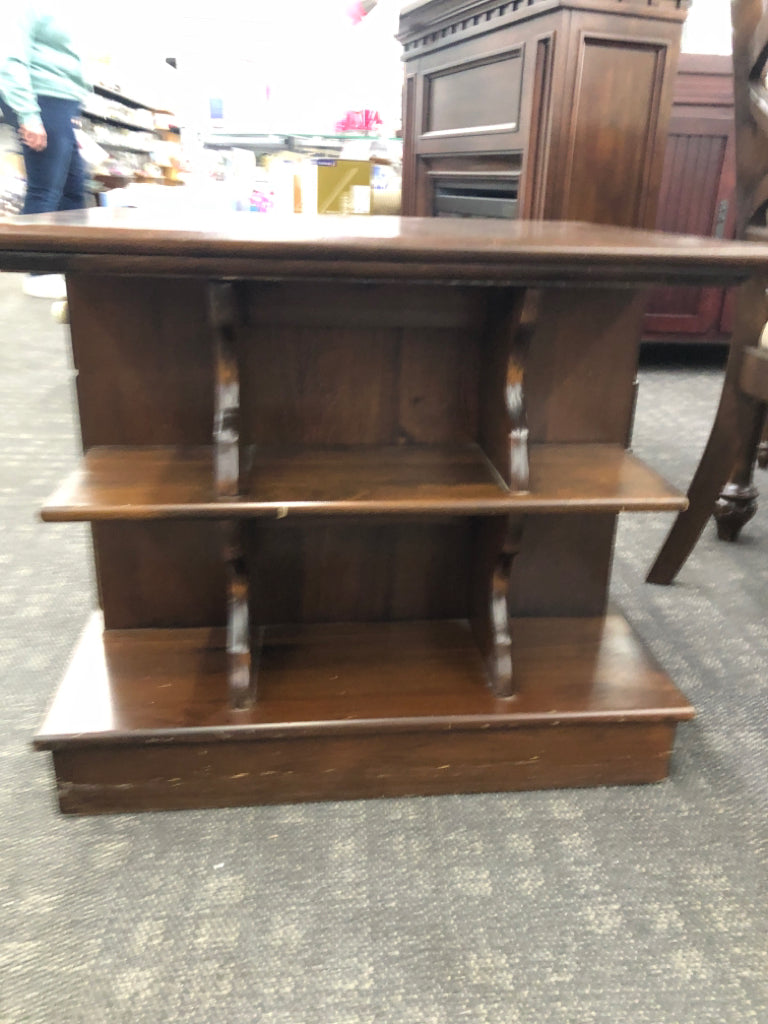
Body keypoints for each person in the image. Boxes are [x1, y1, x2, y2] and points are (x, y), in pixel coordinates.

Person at [0, 6, 91, 298]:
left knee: (75, 190)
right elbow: (9, 57)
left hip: (64, 101)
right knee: (45, 189)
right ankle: (37, 272)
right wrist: (27, 113)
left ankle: (66, 266)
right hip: (42, 97)